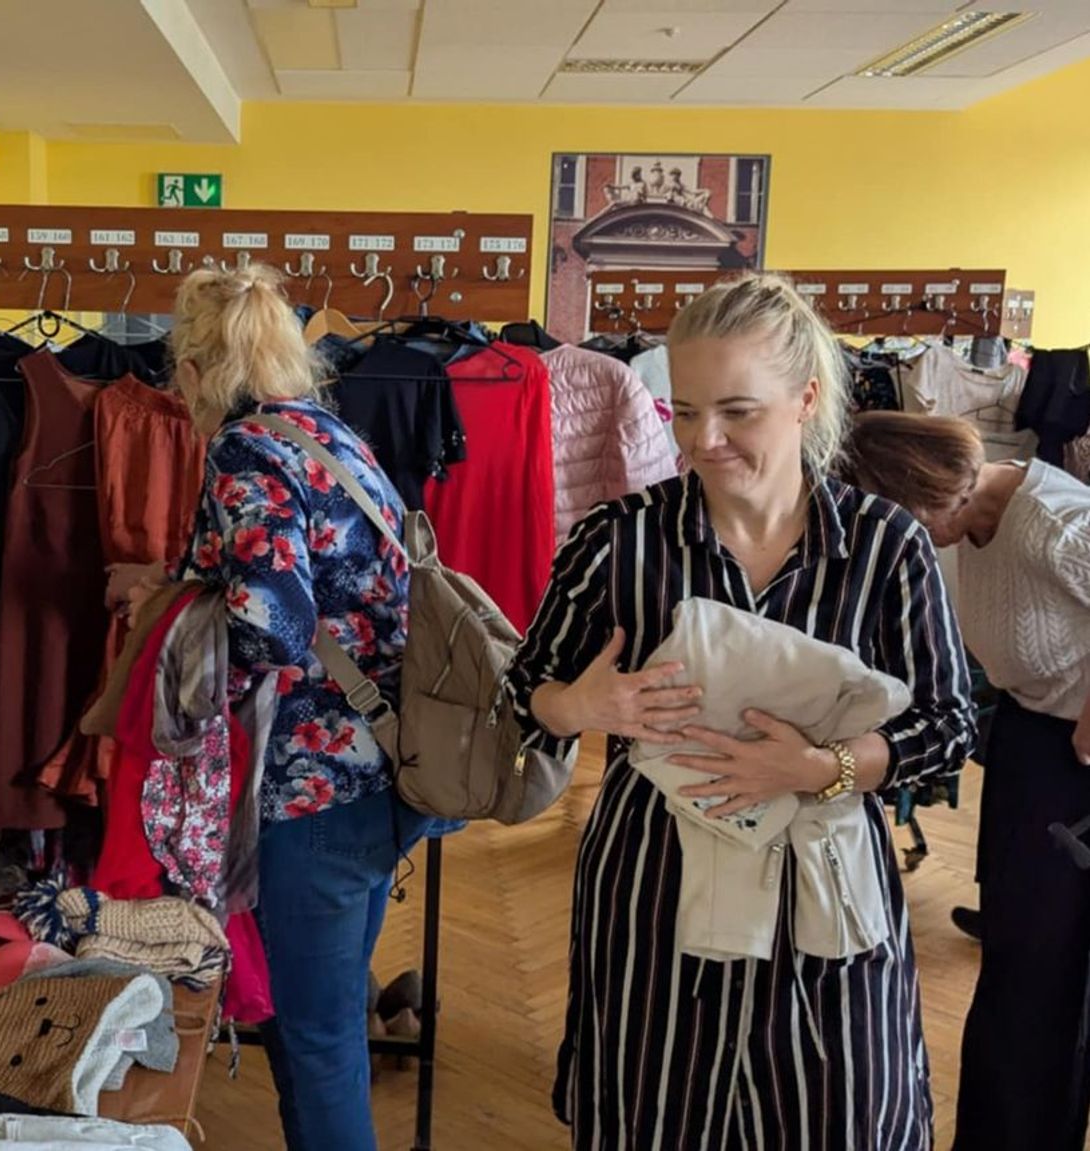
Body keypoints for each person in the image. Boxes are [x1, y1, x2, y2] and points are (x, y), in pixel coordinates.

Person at [504, 275, 975, 1149]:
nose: (703, 442)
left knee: (835, 1112)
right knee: (655, 1111)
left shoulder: (883, 545)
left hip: (826, 884)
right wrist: (581, 702)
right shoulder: (618, 540)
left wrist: (818, 767)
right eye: (683, 412)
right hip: (654, 882)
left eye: (736, 412)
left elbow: (946, 726)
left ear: (805, 399)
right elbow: (522, 701)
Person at [120, 264, 433, 1151]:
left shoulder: (245, 449)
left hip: (312, 792)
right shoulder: (332, 434)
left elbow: (276, 626)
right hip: (379, 769)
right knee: (316, 1022)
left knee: (320, 1037)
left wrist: (172, 601)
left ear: (194, 367)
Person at [843, 410, 1090, 1150]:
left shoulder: (1049, 520)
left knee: (1049, 977)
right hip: (1029, 740)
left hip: (1076, 757)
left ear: (923, 488)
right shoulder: (967, 524)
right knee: (1018, 969)